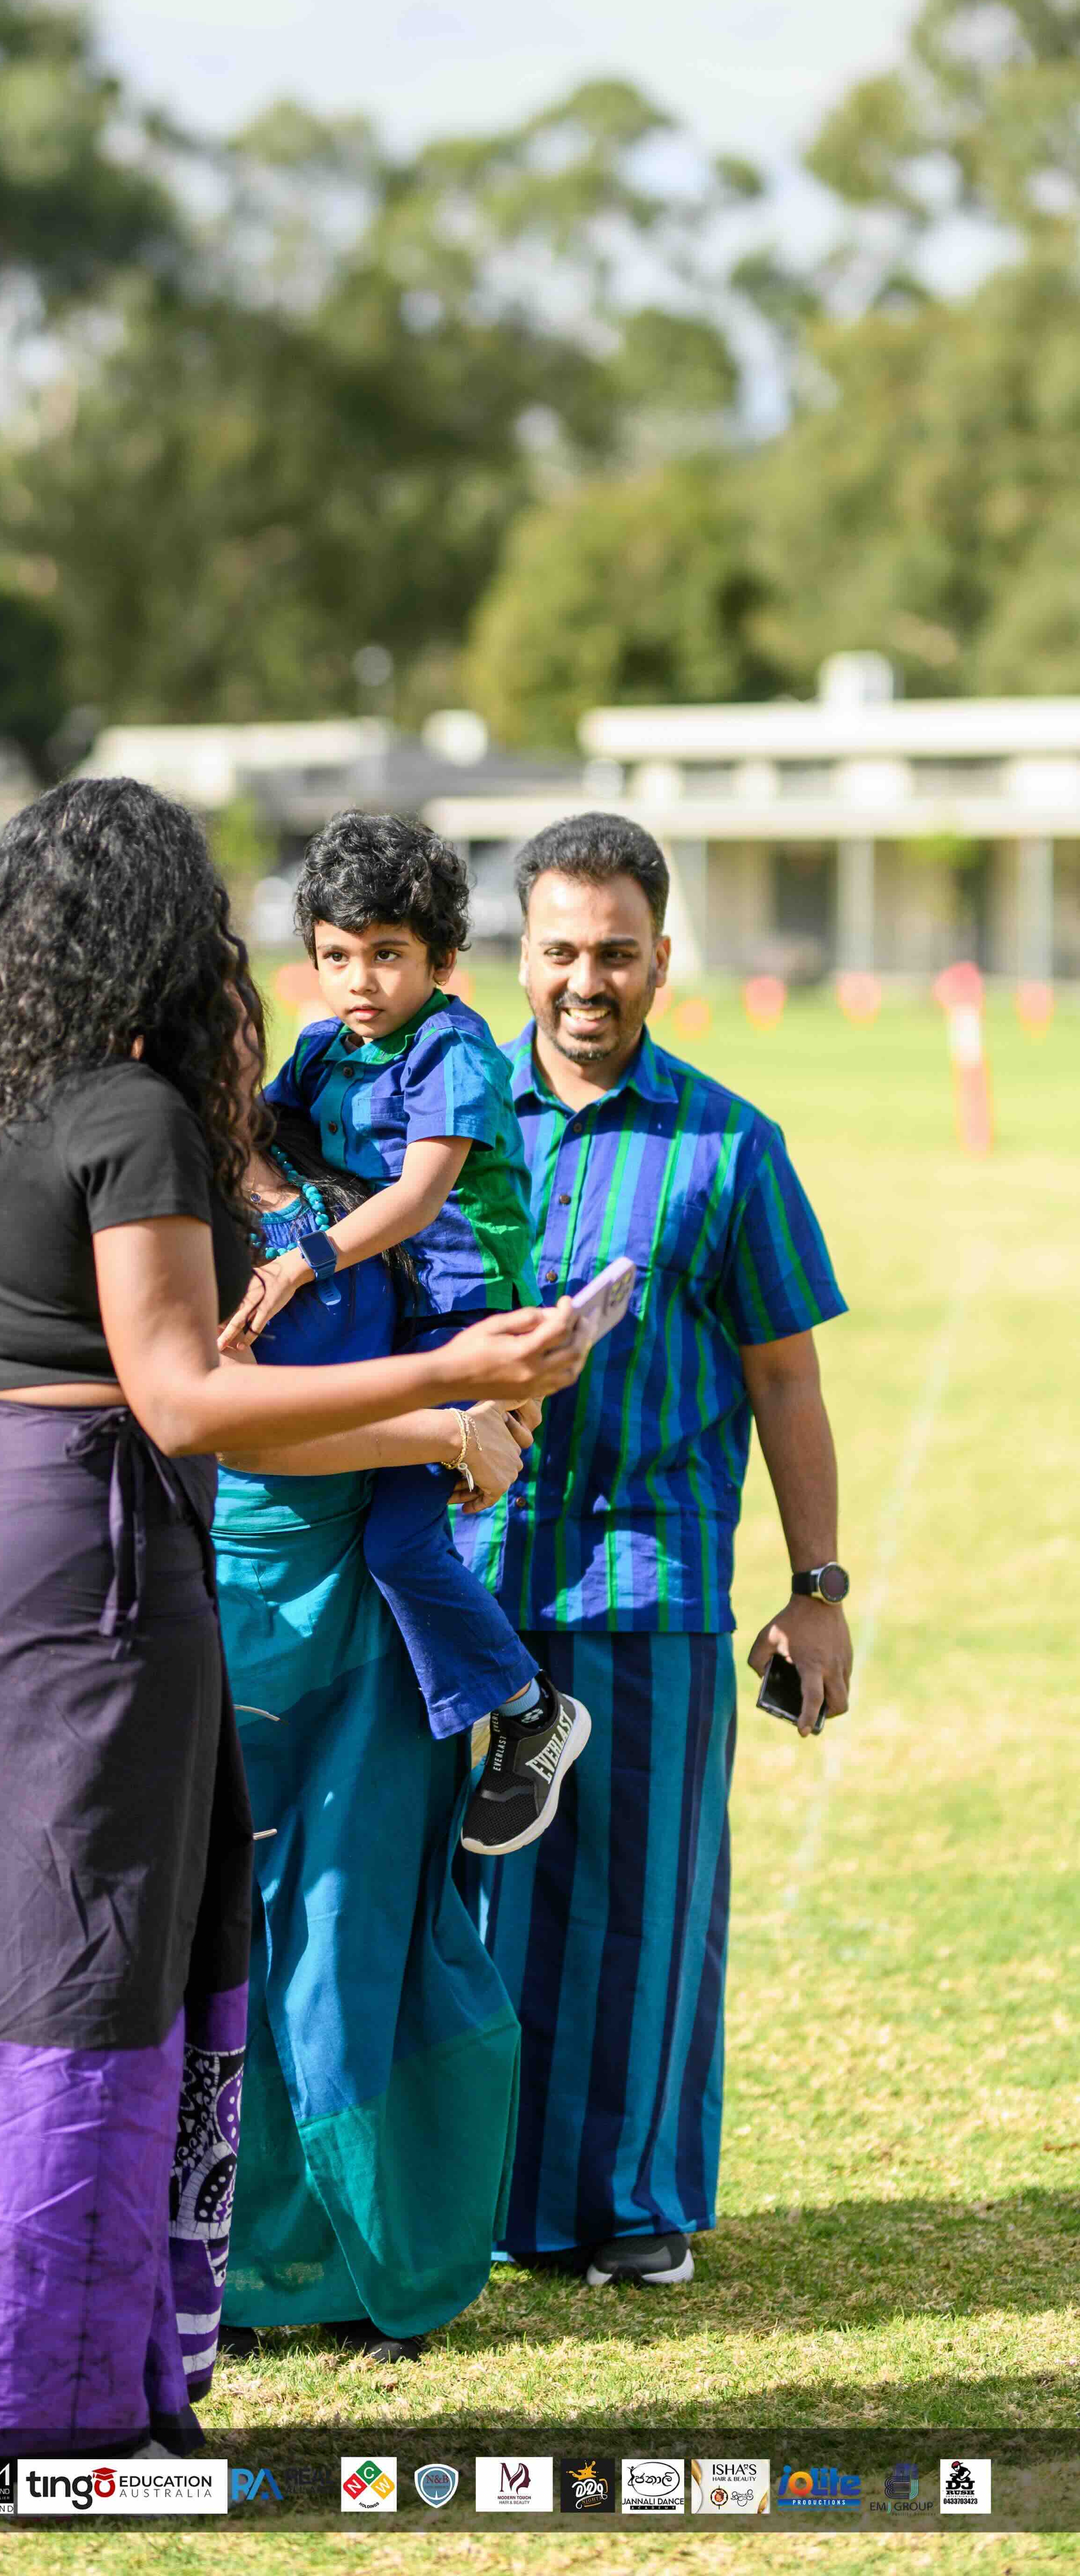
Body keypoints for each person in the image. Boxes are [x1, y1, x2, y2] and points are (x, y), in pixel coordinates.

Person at [0, 776, 585, 2462]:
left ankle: (71, 2371)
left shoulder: (5, 1091)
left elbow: (179, 1392)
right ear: (158, 942)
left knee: (44, 1953)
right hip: (85, 1552)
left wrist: (420, 1428)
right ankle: (45, 2404)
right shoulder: (133, 1112)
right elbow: (190, 1398)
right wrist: (455, 1365)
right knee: (92, 1960)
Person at [455, 811, 851, 2291]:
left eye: (615, 954)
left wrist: (817, 1595)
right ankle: (468, 2199)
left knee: (640, 1906)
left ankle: (625, 2209)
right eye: (559, 950)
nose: (584, 981)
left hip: (648, 1579)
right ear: (521, 955)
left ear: (663, 961)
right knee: (456, 1901)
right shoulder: (449, 1129)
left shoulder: (730, 1146)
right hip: (456, 1583)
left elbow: (788, 1377)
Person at [211, 1107, 531, 2366]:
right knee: (230, 1941)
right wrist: (437, 1427)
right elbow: (223, 1416)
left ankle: (379, 2262)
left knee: (366, 1928)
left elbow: (456, 1309)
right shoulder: (149, 1200)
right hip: (234, 1605)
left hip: (376, 1598)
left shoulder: (340, 1169)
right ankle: (235, 2272)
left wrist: (494, 1419)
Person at [224, 811, 589, 1854]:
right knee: (392, 1529)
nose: (360, 981)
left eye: (387, 955)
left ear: (439, 959)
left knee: (397, 1537)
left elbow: (420, 1198)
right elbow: (258, 1126)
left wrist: (303, 1257)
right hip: (398, 1324)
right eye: (336, 955)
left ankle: (527, 1714)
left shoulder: (452, 1047)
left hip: (470, 1319)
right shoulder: (320, 1049)